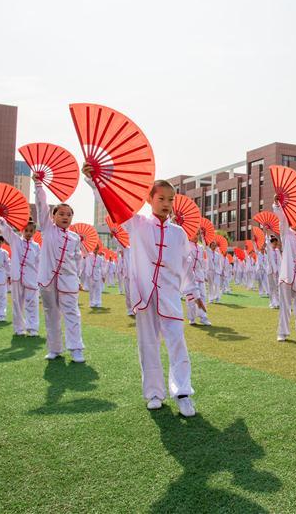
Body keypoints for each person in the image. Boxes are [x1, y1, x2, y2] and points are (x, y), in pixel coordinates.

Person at [84, 166, 203, 417]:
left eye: (170, 200)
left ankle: (183, 393)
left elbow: (185, 264)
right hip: (145, 296)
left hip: (170, 297)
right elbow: (113, 207)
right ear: (149, 199)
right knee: (148, 345)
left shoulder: (179, 233)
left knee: (177, 344)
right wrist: (96, 183)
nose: (166, 204)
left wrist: (192, 292)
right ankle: (153, 393)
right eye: (161, 199)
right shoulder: (137, 224)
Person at [34, 174, 86, 363]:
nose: (65, 217)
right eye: (61, 214)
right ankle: (55, 349)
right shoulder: (47, 229)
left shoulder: (75, 238)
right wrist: (38, 185)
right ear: (53, 216)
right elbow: (41, 206)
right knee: (51, 313)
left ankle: (76, 349)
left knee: (72, 313)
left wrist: (78, 279)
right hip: (47, 280)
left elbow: (77, 260)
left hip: (69, 281)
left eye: (69, 214)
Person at [0, 215, 41, 336]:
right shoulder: (16, 241)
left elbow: (39, 263)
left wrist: (40, 278)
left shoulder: (36, 246)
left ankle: (33, 328)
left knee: (32, 303)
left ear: (35, 232)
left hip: (31, 278)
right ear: (22, 230)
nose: (28, 233)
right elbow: (6, 230)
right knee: (17, 304)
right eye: (26, 230)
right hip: (17, 278)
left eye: (31, 231)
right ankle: (19, 328)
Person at [274, 201, 296, 342]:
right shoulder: (286, 234)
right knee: (285, 306)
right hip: (286, 276)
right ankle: (282, 333)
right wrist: (277, 204)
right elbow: (281, 220)